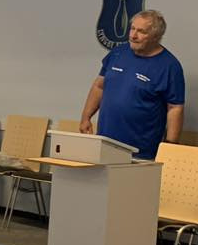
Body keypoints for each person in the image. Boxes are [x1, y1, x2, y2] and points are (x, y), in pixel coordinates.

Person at [79, 9, 184, 160]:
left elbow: (175, 108)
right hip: (105, 144)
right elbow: (99, 86)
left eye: (141, 32)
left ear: (156, 36)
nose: (133, 36)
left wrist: (171, 145)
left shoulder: (169, 66)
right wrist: (86, 117)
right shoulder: (117, 53)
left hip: (140, 152)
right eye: (132, 28)